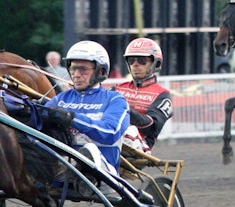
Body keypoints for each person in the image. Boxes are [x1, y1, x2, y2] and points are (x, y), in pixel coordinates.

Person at [45, 40, 130, 179]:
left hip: (103, 174)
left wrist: (71, 118)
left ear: (100, 71)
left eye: (83, 69)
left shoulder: (115, 100)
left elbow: (110, 132)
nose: (76, 74)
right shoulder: (61, 98)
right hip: (63, 164)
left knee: (89, 150)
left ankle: (80, 169)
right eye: (73, 69)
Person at [114, 37, 174, 152]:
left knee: (131, 130)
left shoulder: (163, 95)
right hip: (111, 141)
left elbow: (152, 128)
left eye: (141, 60)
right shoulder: (118, 88)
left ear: (155, 63)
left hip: (140, 149)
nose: (135, 65)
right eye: (131, 60)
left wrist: (124, 109)